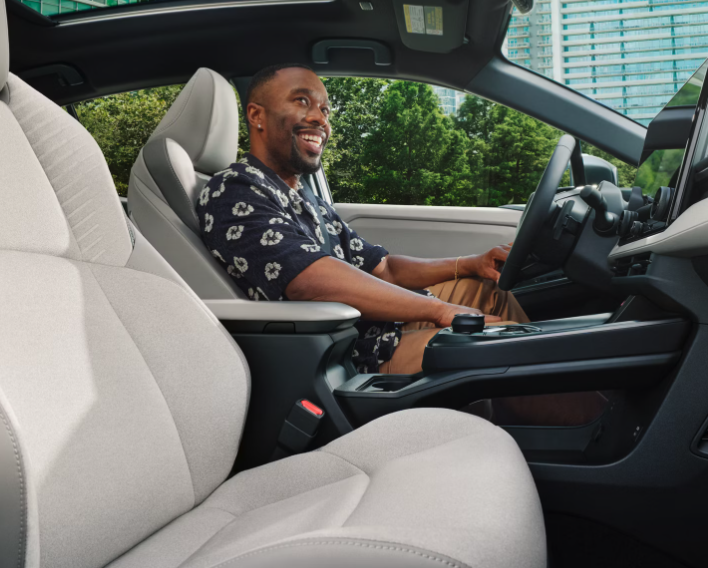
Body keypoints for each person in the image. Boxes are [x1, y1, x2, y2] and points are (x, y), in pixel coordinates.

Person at [196, 62, 528, 374]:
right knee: (505, 344)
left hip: (381, 328)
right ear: (257, 115)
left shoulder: (303, 196)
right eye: (302, 101)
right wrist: (439, 311)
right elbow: (309, 281)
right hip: (349, 352)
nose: (320, 119)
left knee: (490, 292)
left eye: (325, 110)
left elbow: (385, 269)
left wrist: (471, 263)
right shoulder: (234, 190)